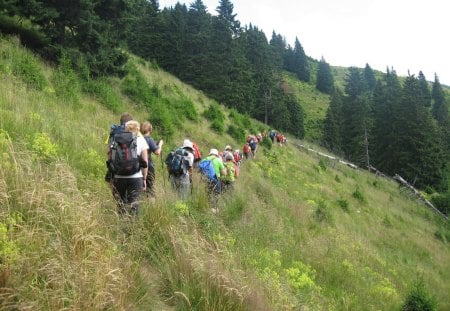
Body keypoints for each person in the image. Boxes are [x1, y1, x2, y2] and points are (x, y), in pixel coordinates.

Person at [109, 120, 148, 217]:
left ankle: (122, 228)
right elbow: (145, 161)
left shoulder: (116, 139)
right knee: (134, 205)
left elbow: (110, 159)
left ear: (125, 129)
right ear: (137, 129)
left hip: (119, 177)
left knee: (121, 205)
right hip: (135, 177)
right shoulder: (140, 140)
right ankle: (132, 230)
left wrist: (111, 178)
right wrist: (144, 178)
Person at [105, 112, 133, 183]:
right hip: (131, 166)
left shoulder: (114, 132)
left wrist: (109, 163)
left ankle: (114, 193)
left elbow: (108, 150)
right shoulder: (134, 133)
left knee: (110, 179)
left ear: (121, 121)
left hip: (116, 164)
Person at [141, 121, 163, 198]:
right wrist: (160, 144)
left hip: (137, 167)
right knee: (150, 189)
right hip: (148, 167)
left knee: (140, 188)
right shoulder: (149, 139)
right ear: (150, 129)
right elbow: (157, 152)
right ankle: (151, 205)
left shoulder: (137, 138)